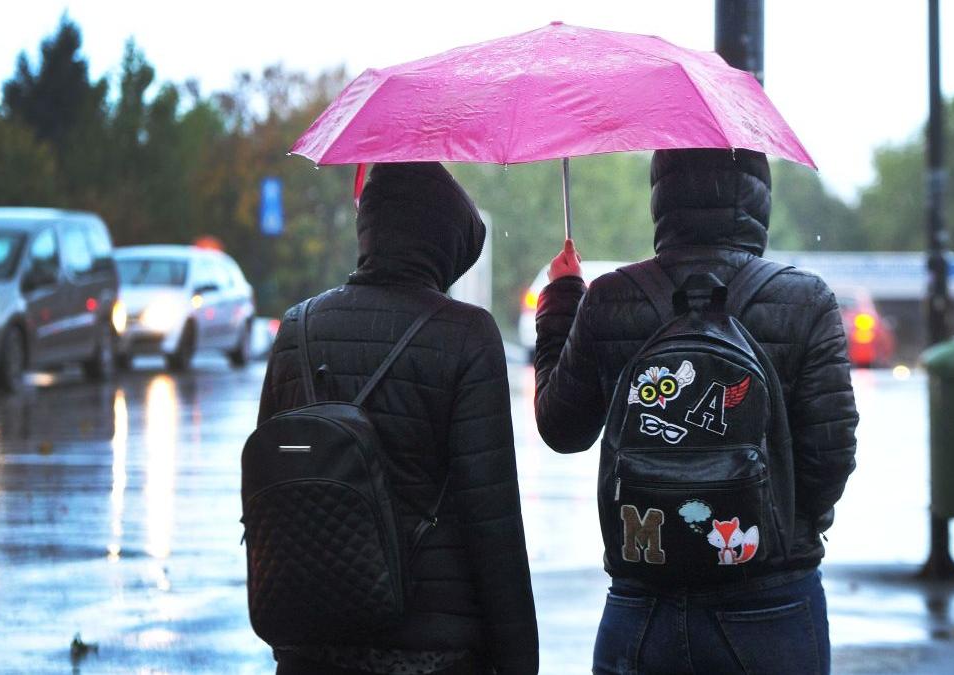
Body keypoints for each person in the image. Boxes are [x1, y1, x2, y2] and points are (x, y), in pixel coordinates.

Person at [534, 148, 858, 674]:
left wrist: (563, 300)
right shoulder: (806, 300)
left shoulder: (611, 297)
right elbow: (829, 458)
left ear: (662, 194)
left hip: (644, 599)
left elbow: (562, 429)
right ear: (757, 192)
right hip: (769, 600)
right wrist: (787, 528)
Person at [258, 162, 539, 675]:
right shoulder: (467, 336)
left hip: (312, 646)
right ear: (441, 241)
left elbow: (269, 491)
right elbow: (492, 521)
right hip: (434, 650)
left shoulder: (297, 329)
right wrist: (520, 661)